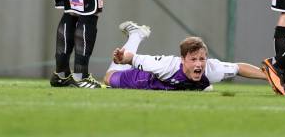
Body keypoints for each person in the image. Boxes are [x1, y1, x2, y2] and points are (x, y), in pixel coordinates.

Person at [103, 21, 267, 91]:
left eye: (202, 59)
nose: (199, 64)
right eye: (193, 59)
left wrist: (269, 75)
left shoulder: (212, 70)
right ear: (182, 60)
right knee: (108, 78)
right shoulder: (165, 66)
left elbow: (238, 68)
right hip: (145, 80)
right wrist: (121, 58)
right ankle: (136, 34)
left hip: (177, 85)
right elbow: (131, 58)